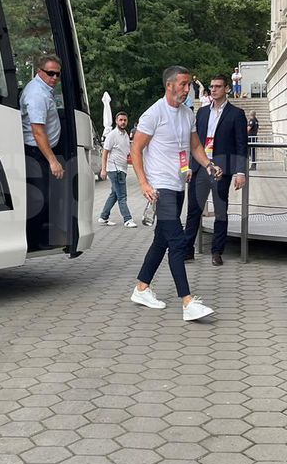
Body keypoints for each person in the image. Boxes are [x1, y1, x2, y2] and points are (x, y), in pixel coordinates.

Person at [130, 66, 223, 322]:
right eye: (183, 84)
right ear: (169, 85)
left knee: (161, 240)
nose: (187, 89)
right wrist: (144, 184)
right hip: (160, 188)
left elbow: (193, 145)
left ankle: (141, 288)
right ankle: (188, 301)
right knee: (177, 242)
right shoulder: (153, 114)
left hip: (179, 183)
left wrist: (208, 164)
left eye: (189, 85)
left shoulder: (187, 114)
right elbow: (136, 149)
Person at [184, 75, 248, 266]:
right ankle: (187, 250)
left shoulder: (236, 114)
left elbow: (241, 145)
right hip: (200, 167)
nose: (213, 90)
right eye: (211, 87)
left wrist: (240, 172)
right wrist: (187, 166)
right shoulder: (202, 113)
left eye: (218, 86)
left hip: (222, 169)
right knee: (193, 210)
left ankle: (217, 251)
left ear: (227, 89)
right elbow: (193, 143)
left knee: (220, 211)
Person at [21, 55, 64, 249]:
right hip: (35, 152)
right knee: (39, 199)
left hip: (40, 151)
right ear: (40, 71)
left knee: (44, 196)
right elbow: (38, 132)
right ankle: (35, 241)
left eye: (57, 74)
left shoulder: (45, 90)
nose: (54, 77)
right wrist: (53, 161)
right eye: (50, 73)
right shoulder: (37, 94)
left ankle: (42, 237)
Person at [99, 112, 138, 228]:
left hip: (123, 169)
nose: (123, 122)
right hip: (114, 169)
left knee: (115, 194)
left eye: (125, 120)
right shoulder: (112, 135)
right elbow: (105, 152)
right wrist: (103, 169)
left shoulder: (126, 135)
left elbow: (127, 153)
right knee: (122, 196)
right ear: (116, 121)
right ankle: (127, 219)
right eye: (120, 120)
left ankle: (103, 217)